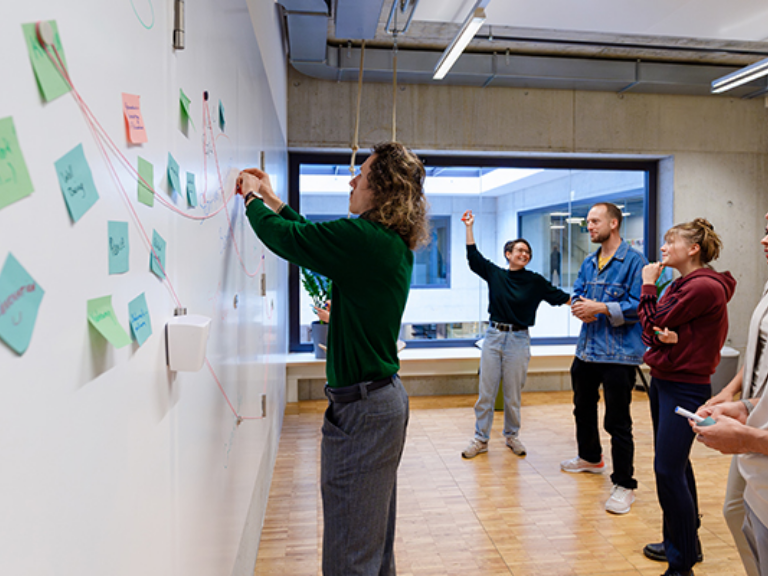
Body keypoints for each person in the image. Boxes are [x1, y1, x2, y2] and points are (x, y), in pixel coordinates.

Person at [236, 142, 430, 576]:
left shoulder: (364, 240)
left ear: (382, 188)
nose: (352, 181)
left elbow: (291, 240)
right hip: (380, 402)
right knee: (371, 542)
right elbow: (316, 239)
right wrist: (273, 201)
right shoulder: (384, 241)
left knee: (351, 553)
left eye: (362, 174)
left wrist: (250, 198)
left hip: (365, 410)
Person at [638, 218, 735, 576]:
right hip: (666, 380)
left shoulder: (703, 286)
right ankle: (683, 543)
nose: (663, 248)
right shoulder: (683, 284)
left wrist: (648, 286)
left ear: (693, 249)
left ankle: (681, 565)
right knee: (675, 465)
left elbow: (650, 324)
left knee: (667, 469)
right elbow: (656, 330)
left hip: (684, 386)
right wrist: (664, 332)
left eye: (670, 241)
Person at [690, 213, 768, 576]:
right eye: (765, 230)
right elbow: (759, 352)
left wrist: (749, 437)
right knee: (737, 510)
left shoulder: (706, 286)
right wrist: (740, 399)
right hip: (754, 425)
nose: (763, 240)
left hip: (756, 435)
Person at [460, 210, 571, 459]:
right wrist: (469, 227)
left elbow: (561, 297)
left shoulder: (535, 281)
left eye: (527, 252)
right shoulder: (496, 275)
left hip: (518, 340)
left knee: (512, 394)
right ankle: (481, 439)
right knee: (486, 393)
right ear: (508, 254)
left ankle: (512, 436)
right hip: (493, 337)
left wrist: (591, 307)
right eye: (519, 250)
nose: (524, 254)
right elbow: (473, 257)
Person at [560, 202, 646, 515]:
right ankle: (590, 457)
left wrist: (601, 308)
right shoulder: (588, 261)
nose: (590, 226)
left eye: (595, 221)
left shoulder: (635, 261)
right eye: (588, 222)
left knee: (617, 421)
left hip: (619, 355)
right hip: (587, 350)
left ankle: (624, 485)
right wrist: (579, 307)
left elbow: (641, 306)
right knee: (582, 408)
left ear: (614, 223)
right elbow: (577, 293)